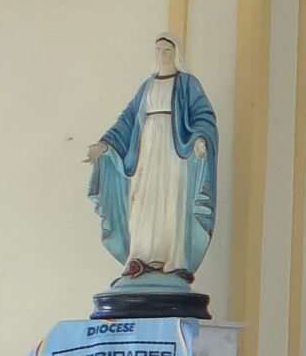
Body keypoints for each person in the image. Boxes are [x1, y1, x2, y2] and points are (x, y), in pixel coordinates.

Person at [85, 33, 218, 287]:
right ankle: (141, 257)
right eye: (158, 50)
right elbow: (127, 120)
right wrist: (104, 144)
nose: (162, 55)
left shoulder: (187, 84)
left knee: (171, 200)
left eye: (167, 50)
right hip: (147, 150)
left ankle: (174, 260)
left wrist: (200, 139)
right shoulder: (147, 86)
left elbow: (203, 115)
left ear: (176, 53)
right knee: (144, 202)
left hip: (174, 152)